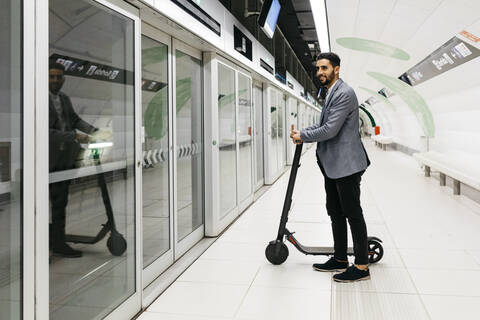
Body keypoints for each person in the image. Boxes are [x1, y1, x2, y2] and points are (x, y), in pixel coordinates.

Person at [290, 52, 371, 283]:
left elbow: (330, 130)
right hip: (333, 164)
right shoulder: (331, 92)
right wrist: (304, 132)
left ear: (336, 69)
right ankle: (340, 258)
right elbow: (324, 124)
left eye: (324, 68)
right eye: (318, 69)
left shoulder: (344, 93)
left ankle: (362, 265)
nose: (319, 73)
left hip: (346, 165)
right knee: (335, 212)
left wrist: (303, 135)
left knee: (353, 213)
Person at [49, 61, 98, 258]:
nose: (55, 81)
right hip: (48, 160)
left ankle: (58, 242)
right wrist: (75, 136)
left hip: (65, 159)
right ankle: (49, 241)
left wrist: (95, 131)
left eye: (58, 77)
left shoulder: (65, 98)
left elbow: (75, 120)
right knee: (46, 204)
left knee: (60, 202)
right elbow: (44, 131)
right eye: (51, 77)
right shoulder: (36, 98)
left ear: (64, 79)